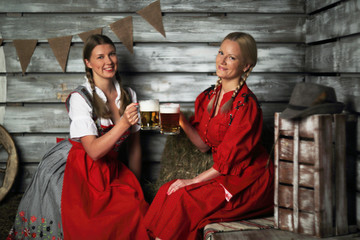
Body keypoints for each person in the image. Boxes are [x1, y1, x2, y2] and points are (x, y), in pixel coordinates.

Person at [8, 34, 149, 240]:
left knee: (137, 210)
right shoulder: (80, 98)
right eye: (100, 57)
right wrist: (123, 124)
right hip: (78, 165)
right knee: (88, 226)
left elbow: (135, 147)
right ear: (88, 63)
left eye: (111, 54)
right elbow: (93, 151)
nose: (108, 61)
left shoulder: (128, 95)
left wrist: (136, 185)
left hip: (110, 166)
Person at [144, 32, 274, 240]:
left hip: (249, 180)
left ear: (246, 66)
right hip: (224, 174)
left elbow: (227, 162)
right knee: (167, 190)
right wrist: (182, 121)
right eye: (221, 52)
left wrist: (192, 181)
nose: (222, 60)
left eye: (231, 57)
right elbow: (204, 145)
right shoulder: (209, 96)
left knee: (183, 198)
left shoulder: (246, 105)